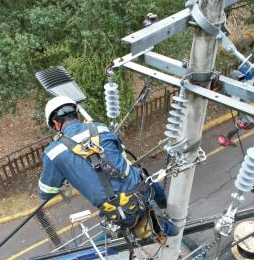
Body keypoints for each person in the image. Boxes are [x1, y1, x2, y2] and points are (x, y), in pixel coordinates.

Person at [38, 96, 178, 240]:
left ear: (55, 123)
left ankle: (159, 227)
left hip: (122, 213)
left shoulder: (53, 153)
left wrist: (65, 174)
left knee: (139, 229)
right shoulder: (99, 128)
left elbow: (46, 192)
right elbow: (122, 155)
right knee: (150, 183)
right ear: (76, 114)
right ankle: (165, 208)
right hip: (142, 190)